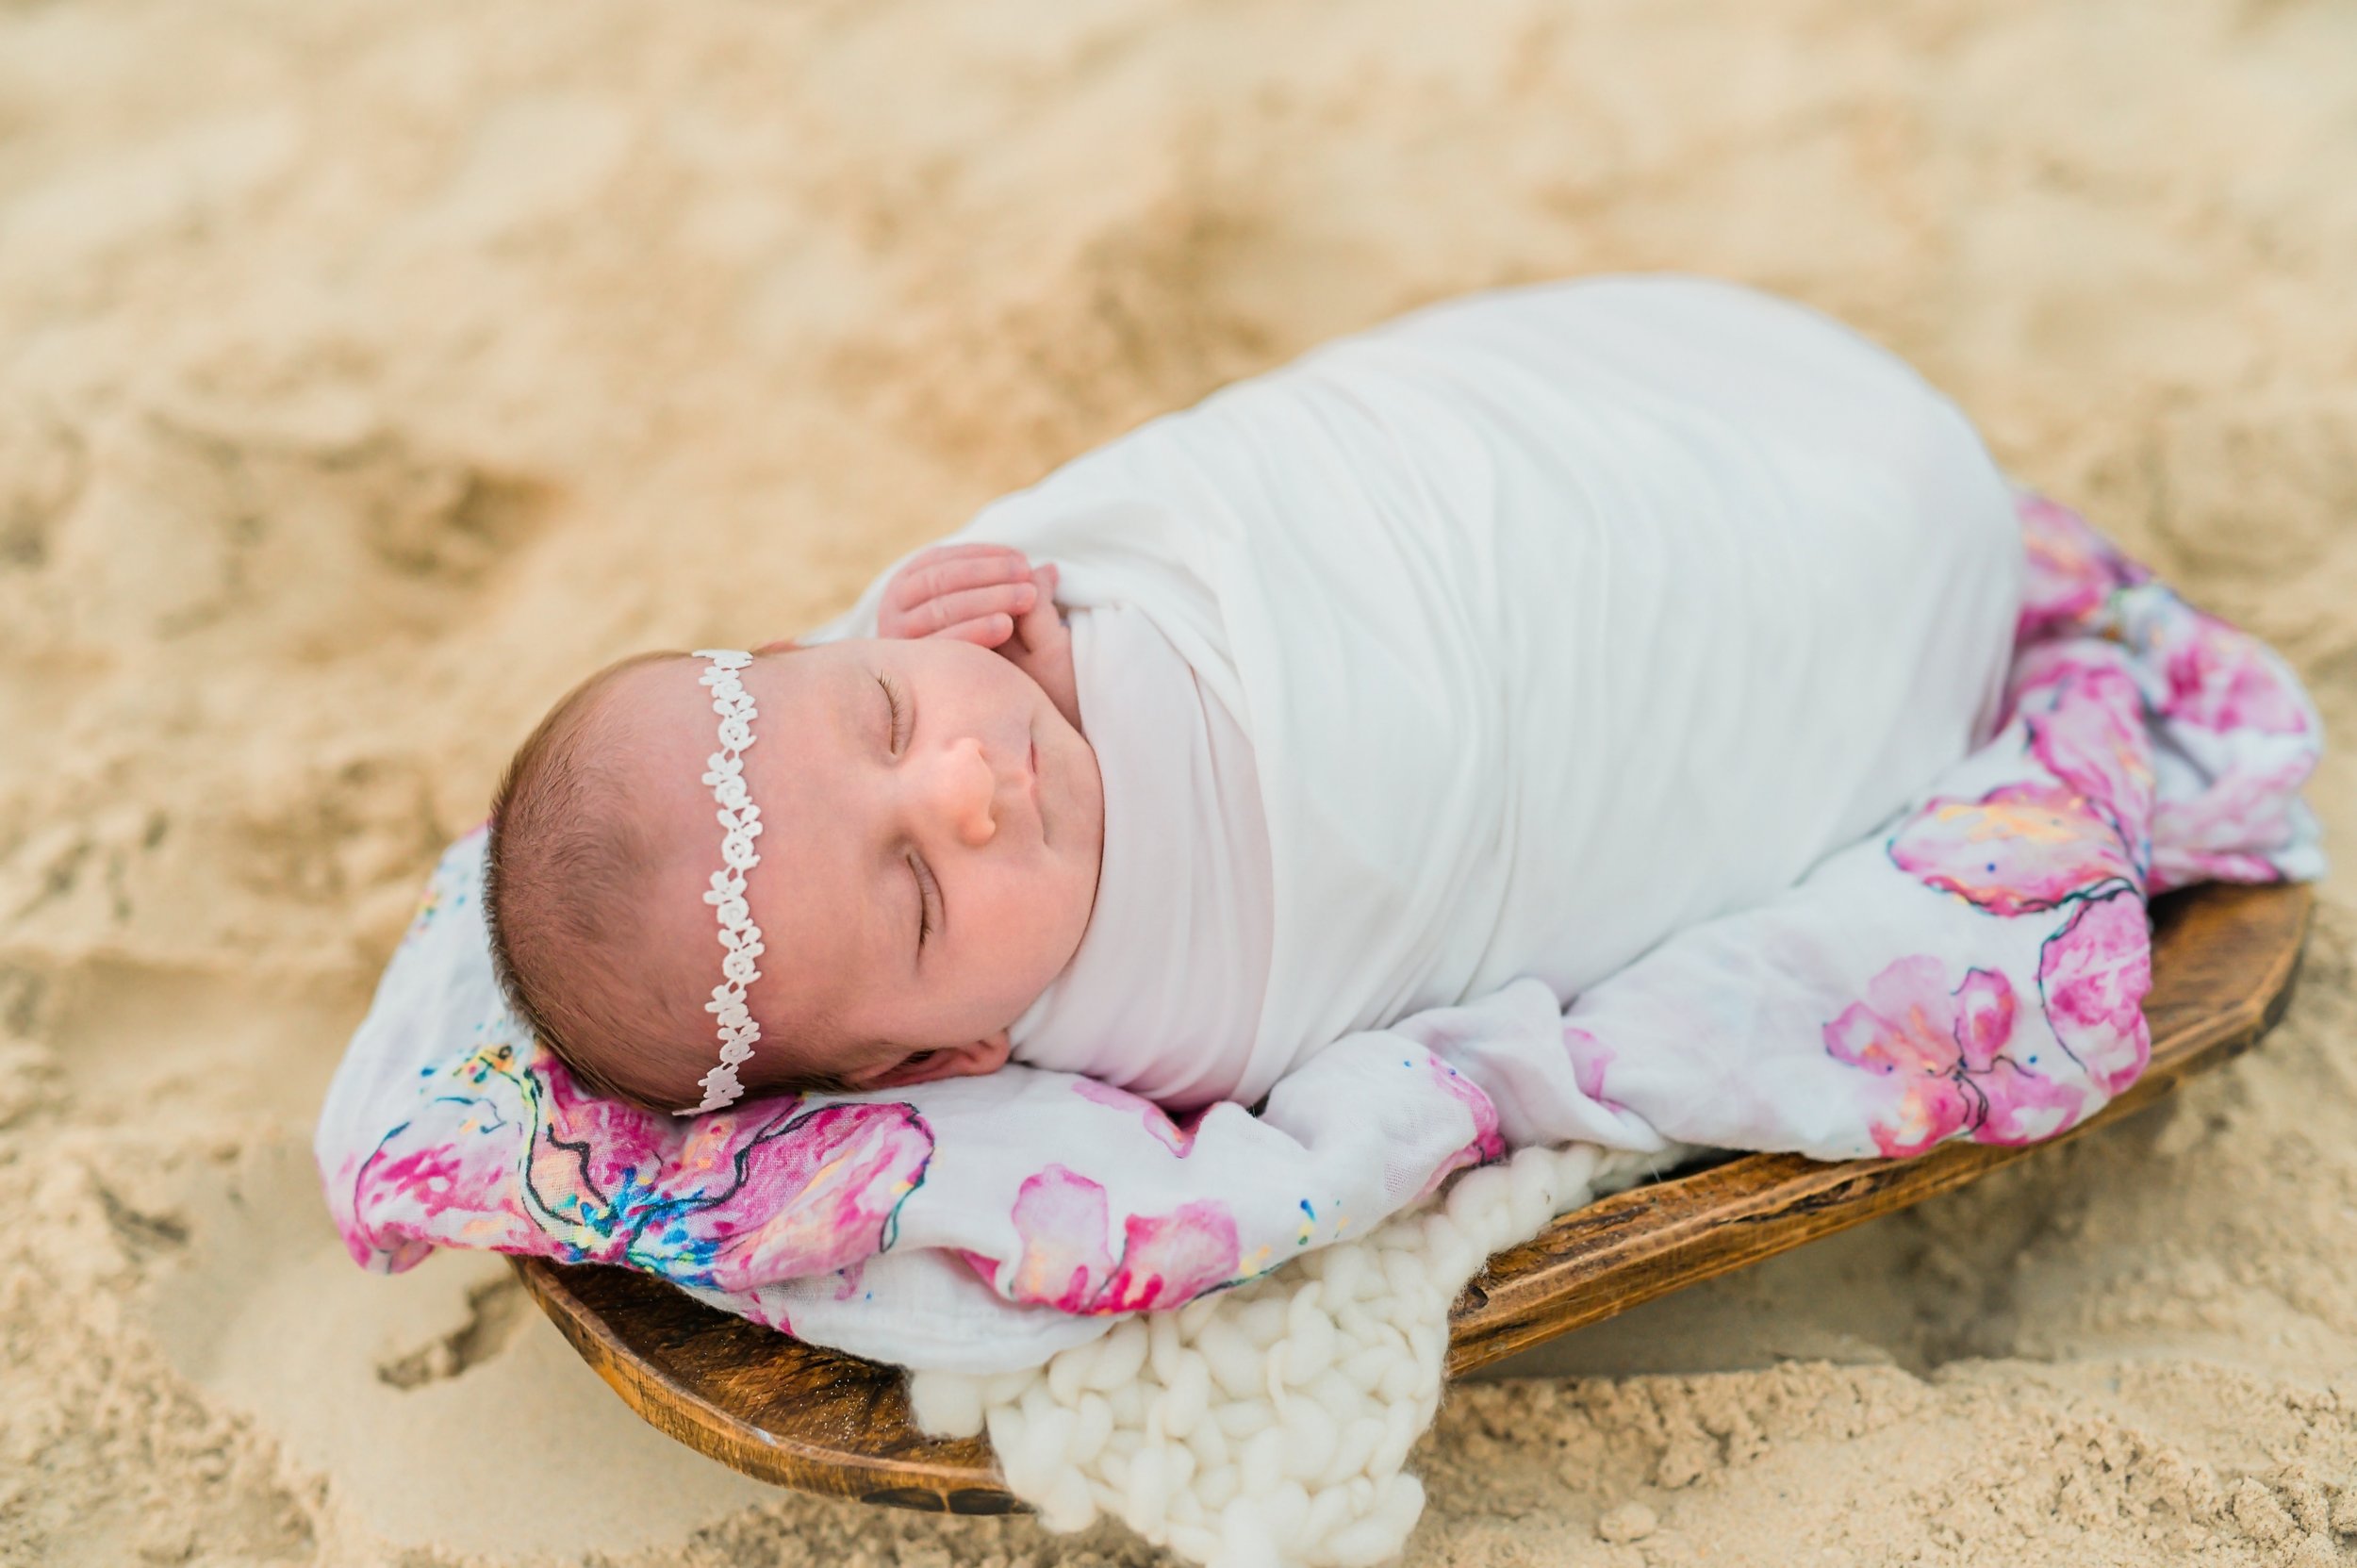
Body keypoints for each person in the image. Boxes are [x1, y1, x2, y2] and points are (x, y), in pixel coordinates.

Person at [484, 275, 2021, 1117]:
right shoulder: (1148, 1037)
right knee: (1864, 565)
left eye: (886, 715)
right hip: (1561, 774)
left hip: (1510, 538)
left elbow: (1225, 495)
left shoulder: (985, 631)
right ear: (932, 1059)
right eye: (920, 901)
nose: (963, 784)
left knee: (1757, 496)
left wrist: (1005, 610)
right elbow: (1378, 948)